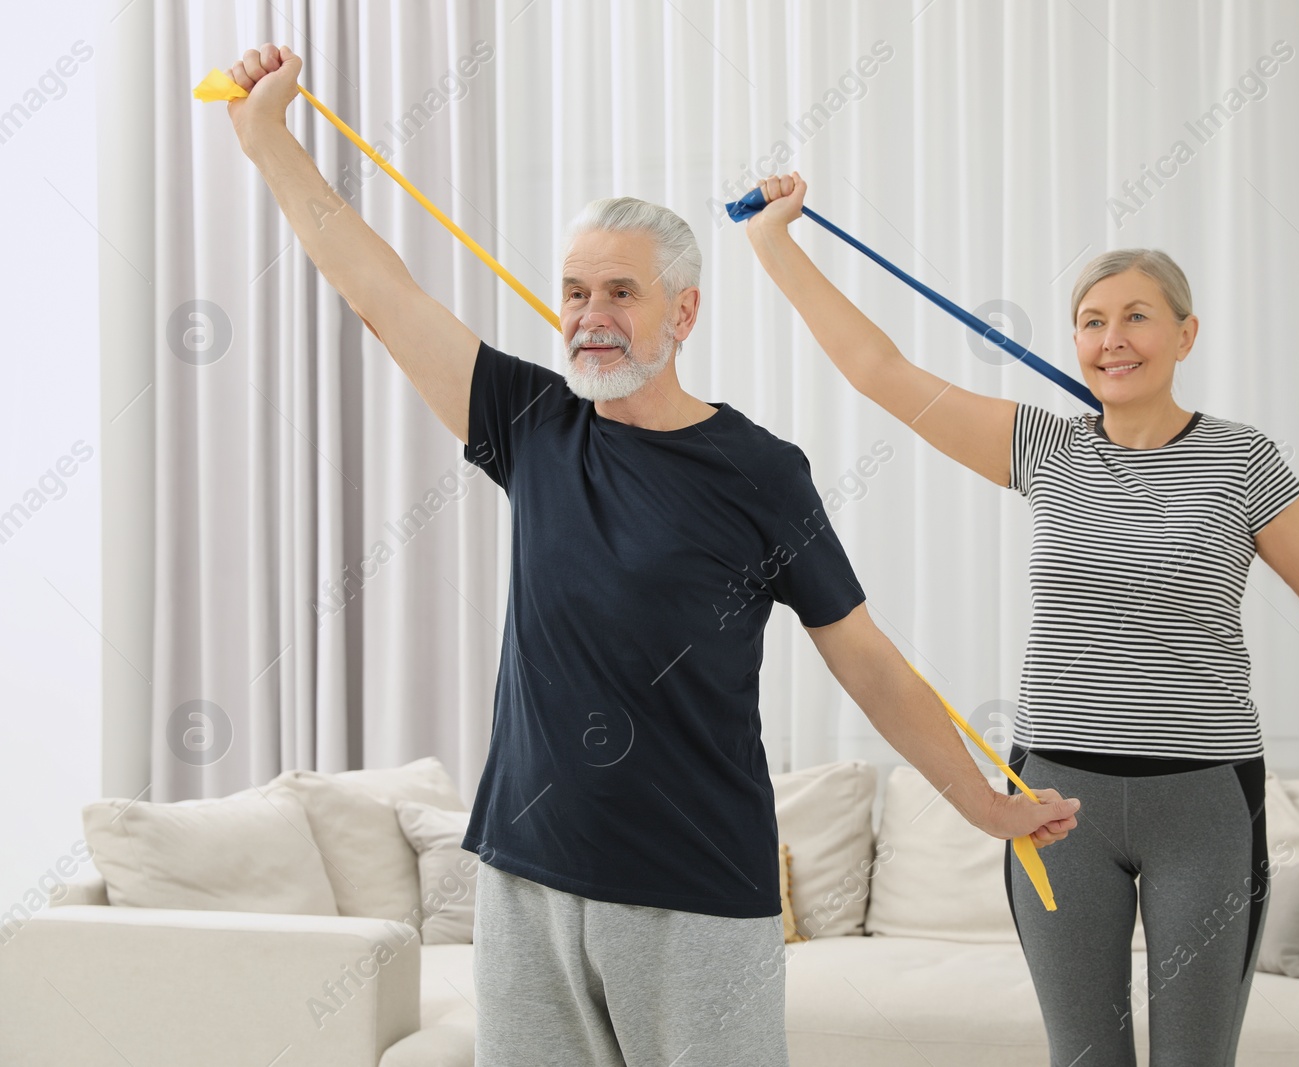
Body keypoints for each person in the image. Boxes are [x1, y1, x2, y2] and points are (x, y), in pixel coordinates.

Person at [222, 45, 1080, 1067]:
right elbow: (379, 288)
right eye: (574, 292)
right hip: (524, 873)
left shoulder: (759, 469)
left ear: (682, 310)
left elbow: (864, 656)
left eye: (619, 292)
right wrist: (267, 137)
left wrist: (980, 802)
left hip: (696, 887)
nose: (588, 317)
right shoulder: (532, 423)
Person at [742, 171, 1299, 1066]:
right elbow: (879, 370)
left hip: (1203, 801)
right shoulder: (1044, 449)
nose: (1111, 338)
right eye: (1092, 321)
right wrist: (774, 240)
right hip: (1055, 801)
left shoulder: (1244, 460)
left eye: (1135, 316)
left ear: (1184, 333)